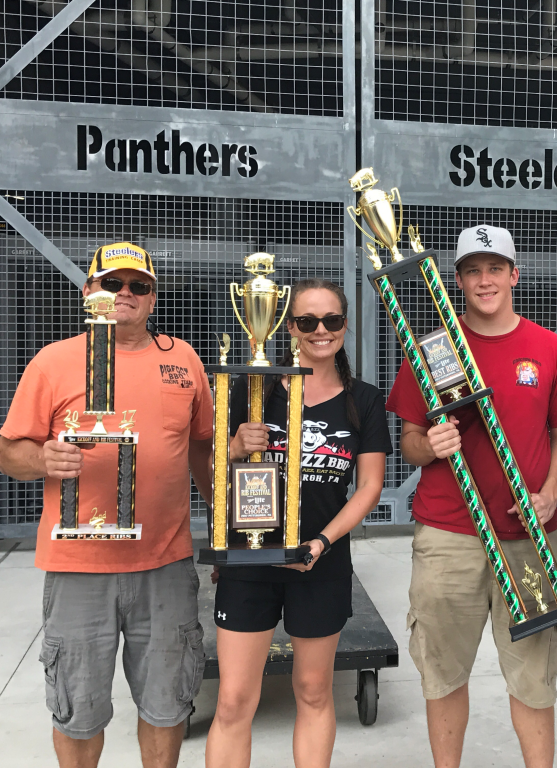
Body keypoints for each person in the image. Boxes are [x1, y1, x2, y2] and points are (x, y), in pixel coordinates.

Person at [0, 242, 213, 768]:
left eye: (140, 285)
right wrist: (43, 457)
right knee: (78, 710)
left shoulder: (183, 360)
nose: (125, 293)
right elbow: (8, 452)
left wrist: (228, 532)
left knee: (167, 705)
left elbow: (203, 448)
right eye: (113, 282)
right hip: (78, 568)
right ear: (88, 290)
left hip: (164, 563)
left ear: (153, 298)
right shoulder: (53, 362)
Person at [385, 225, 557, 768]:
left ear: (514, 275)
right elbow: (409, 439)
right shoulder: (433, 350)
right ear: (456, 281)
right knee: (442, 672)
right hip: (448, 535)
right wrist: (430, 445)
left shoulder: (550, 349)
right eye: (473, 270)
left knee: (534, 676)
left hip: (528, 537)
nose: (485, 280)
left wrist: (550, 495)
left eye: (495, 268)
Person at [205, 278, 391, 768]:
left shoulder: (364, 400)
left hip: (320, 563)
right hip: (250, 559)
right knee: (233, 700)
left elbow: (370, 486)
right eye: (307, 321)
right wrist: (234, 448)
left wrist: (321, 543)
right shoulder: (252, 388)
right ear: (289, 327)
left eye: (331, 320)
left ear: (345, 325)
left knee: (312, 690)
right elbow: (212, 472)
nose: (320, 330)